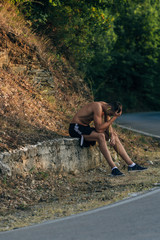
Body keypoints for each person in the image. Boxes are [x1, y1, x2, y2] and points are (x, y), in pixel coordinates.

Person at [69, 101, 147, 176]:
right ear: (109, 108)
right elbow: (99, 129)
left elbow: (108, 126)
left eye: (112, 115)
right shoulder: (97, 107)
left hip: (85, 127)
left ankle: (131, 165)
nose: (110, 115)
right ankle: (114, 168)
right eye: (111, 114)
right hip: (76, 128)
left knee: (114, 135)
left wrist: (112, 135)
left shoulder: (107, 109)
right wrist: (114, 118)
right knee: (101, 136)